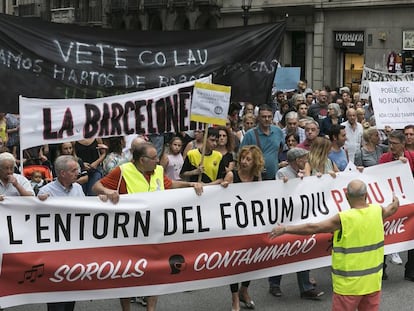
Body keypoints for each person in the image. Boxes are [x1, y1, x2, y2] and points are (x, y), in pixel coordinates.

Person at [92, 142, 203, 311]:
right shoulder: (123, 171)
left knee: (155, 274)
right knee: (128, 275)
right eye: (153, 158)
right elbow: (96, 186)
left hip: (155, 232)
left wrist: (190, 185)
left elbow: (169, 184)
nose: (158, 160)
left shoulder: (158, 170)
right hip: (130, 234)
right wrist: (108, 192)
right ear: (142, 160)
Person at [269, 179, 400, 311]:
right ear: (366, 195)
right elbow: (392, 208)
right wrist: (396, 200)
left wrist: (285, 229)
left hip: (348, 286)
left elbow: (313, 227)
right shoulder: (377, 211)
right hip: (372, 283)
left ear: (346, 196)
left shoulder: (344, 218)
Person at [270, 147, 325, 299]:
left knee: (304, 250)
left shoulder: (306, 171)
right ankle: (274, 284)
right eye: (304, 158)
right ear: (297, 160)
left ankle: (305, 288)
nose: (306, 161)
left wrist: (318, 178)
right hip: (286, 219)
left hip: (301, 218)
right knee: (282, 252)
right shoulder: (282, 173)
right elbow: (279, 194)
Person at [37, 155, 85, 311]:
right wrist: (39, 203)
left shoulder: (78, 188)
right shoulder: (45, 192)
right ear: (62, 173)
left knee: (72, 290)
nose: (78, 172)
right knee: (56, 292)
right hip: (55, 249)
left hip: (74, 248)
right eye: (73, 170)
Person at [221, 145, 265, 311]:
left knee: (250, 260)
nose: (245, 162)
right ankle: (234, 299)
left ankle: (244, 290)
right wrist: (223, 187)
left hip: (251, 225)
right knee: (234, 262)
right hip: (233, 226)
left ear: (255, 162)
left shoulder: (257, 177)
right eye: (243, 158)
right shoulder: (232, 175)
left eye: (249, 159)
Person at [379, 130, 414, 281]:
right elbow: (377, 177)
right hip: (389, 203)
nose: (391, 146)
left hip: (408, 203)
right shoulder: (384, 158)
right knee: (386, 235)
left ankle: (411, 270)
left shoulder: (411, 157)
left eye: (394, 143)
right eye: (390, 143)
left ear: (403, 144)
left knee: (411, 235)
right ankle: (381, 269)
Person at [241, 104, 284, 180]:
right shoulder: (250, 134)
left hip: (274, 176)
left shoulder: (278, 131)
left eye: (269, 116)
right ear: (258, 118)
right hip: (255, 177)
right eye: (264, 117)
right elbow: (241, 155)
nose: (267, 119)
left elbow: (280, 149)